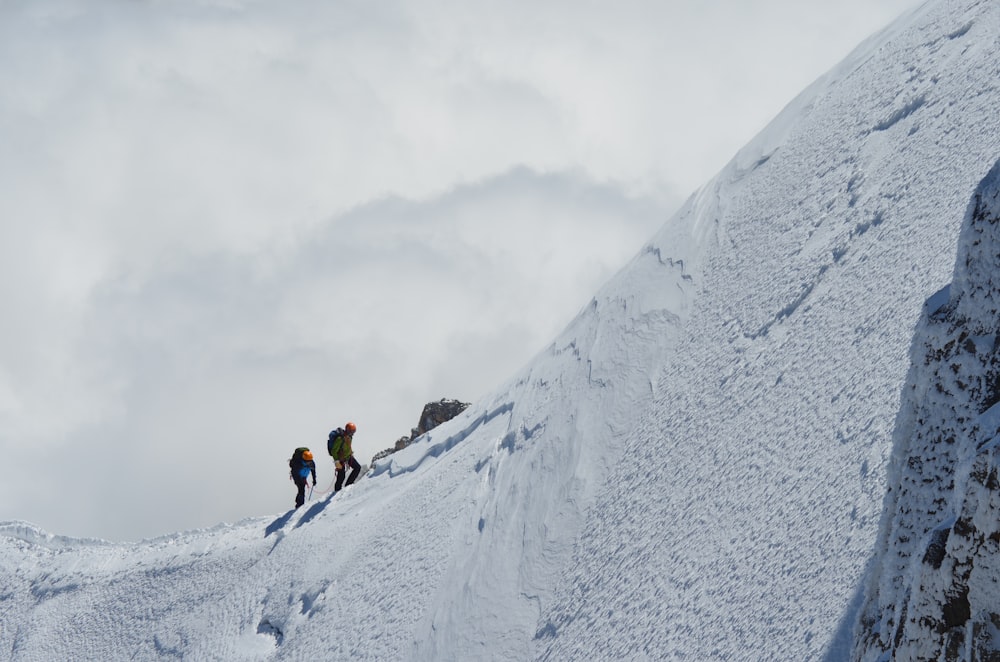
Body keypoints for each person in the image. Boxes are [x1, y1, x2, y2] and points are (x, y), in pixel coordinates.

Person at [328, 421, 360, 492]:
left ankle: (348, 485)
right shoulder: (340, 438)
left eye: (353, 432)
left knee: (357, 467)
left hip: (348, 456)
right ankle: (337, 491)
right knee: (341, 476)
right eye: (352, 432)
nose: (353, 433)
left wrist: (350, 453)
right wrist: (337, 462)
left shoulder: (350, 437)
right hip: (340, 459)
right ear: (348, 430)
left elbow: (347, 446)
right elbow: (334, 451)